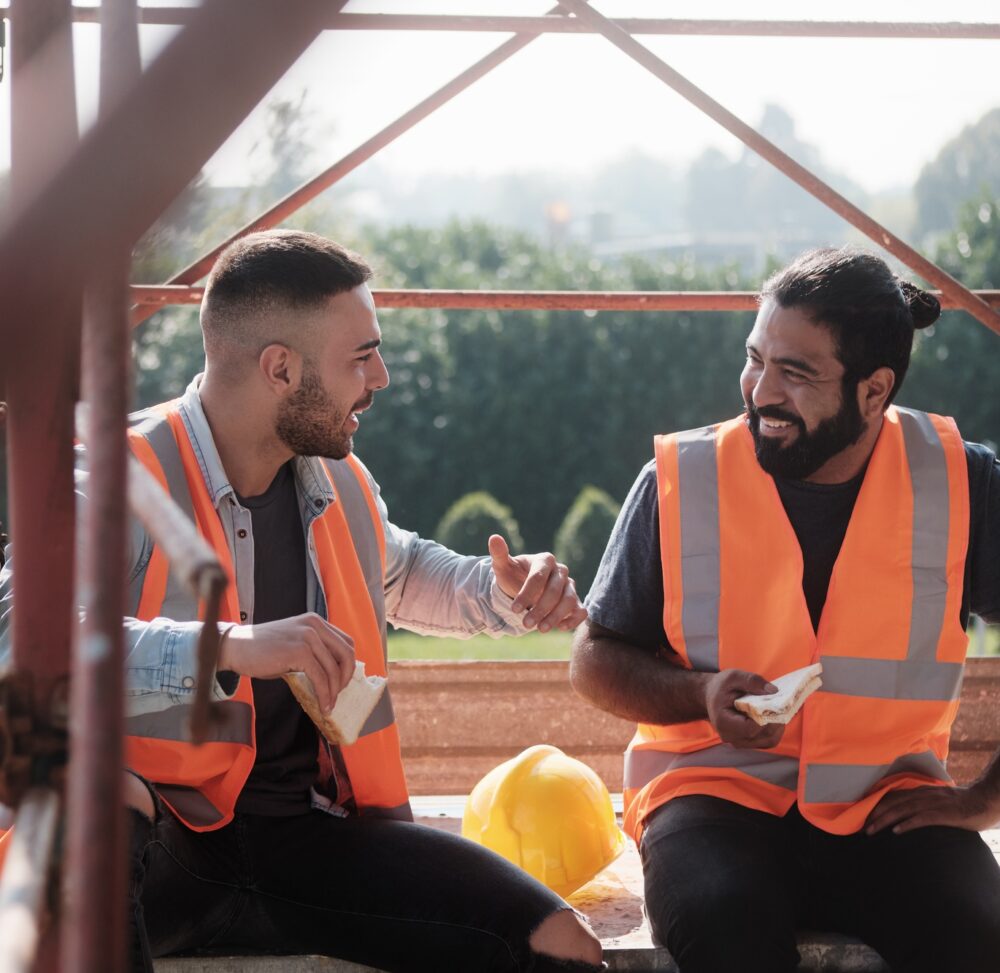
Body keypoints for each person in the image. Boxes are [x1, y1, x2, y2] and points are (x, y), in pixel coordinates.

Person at [0, 229, 603, 973]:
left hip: (312, 844)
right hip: (160, 851)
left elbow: (403, 569)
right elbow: (22, 643)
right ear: (280, 368)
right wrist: (230, 646)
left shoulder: (337, 480)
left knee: (561, 944)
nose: (379, 376)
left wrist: (504, 593)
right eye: (361, 356)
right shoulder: (114, 477)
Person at [571, 247, 1000, 973]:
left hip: (888, 800)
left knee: (980, 934)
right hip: (711, 791)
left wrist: (985, 799)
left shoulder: (963, 480)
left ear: (875, 390)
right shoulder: (682, 478)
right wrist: (699, 696)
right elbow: (593, 658)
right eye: (755, 359)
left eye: (795, 373)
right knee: (726, 931)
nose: (760, 391)